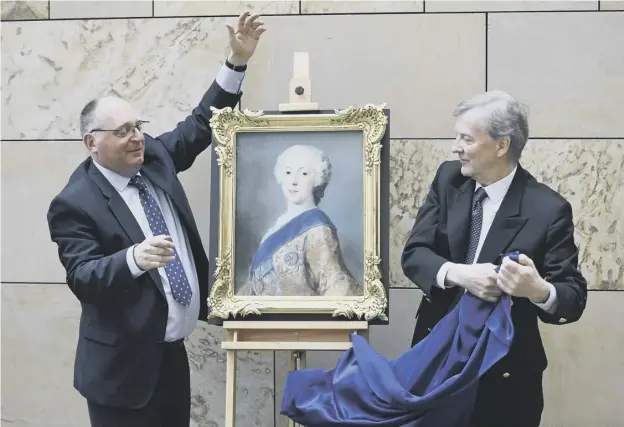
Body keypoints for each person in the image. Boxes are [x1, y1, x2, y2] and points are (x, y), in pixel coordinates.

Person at [46, 12, 266, 427]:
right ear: (92, 143)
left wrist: (236, 62)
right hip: (121, 373)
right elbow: (83, 277)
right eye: (123, 130)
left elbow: (202, 123)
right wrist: (134, 258)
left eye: (138, 126)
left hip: (169, 356)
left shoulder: (155, 158)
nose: (136, 137)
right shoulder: (74, 204)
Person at [401, 90, 588, 427]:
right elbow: (414, 255)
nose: (455, 146)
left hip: (503, 379)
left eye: (466, 139)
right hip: (434, 363)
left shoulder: (547, 209)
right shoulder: (448, 179)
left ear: (501, 145)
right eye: (456, 136)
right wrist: (460, 274)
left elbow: (572, 298)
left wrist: (538, 290)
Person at [239, 144, 361, 297]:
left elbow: (334, 283)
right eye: (288, 172)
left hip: (302, 318)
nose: (293, 181)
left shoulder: (318, 228)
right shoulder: (276, 226)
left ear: (317, 179)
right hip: (263, 318)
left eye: (304, 173)